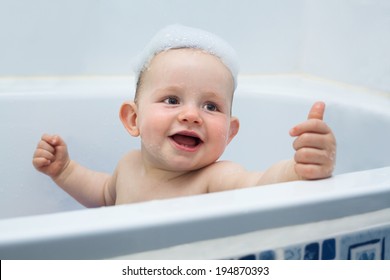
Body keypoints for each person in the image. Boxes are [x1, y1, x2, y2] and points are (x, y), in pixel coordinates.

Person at [32, 25, 336, 207]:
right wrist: (66, 171)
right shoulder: (128, 167)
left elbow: (260, 185)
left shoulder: (214, 179)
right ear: (133, 119)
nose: (191, 115)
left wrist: (299, 169)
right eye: (172, 100)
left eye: (211, 106)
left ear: (230, 133)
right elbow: (103, 195)